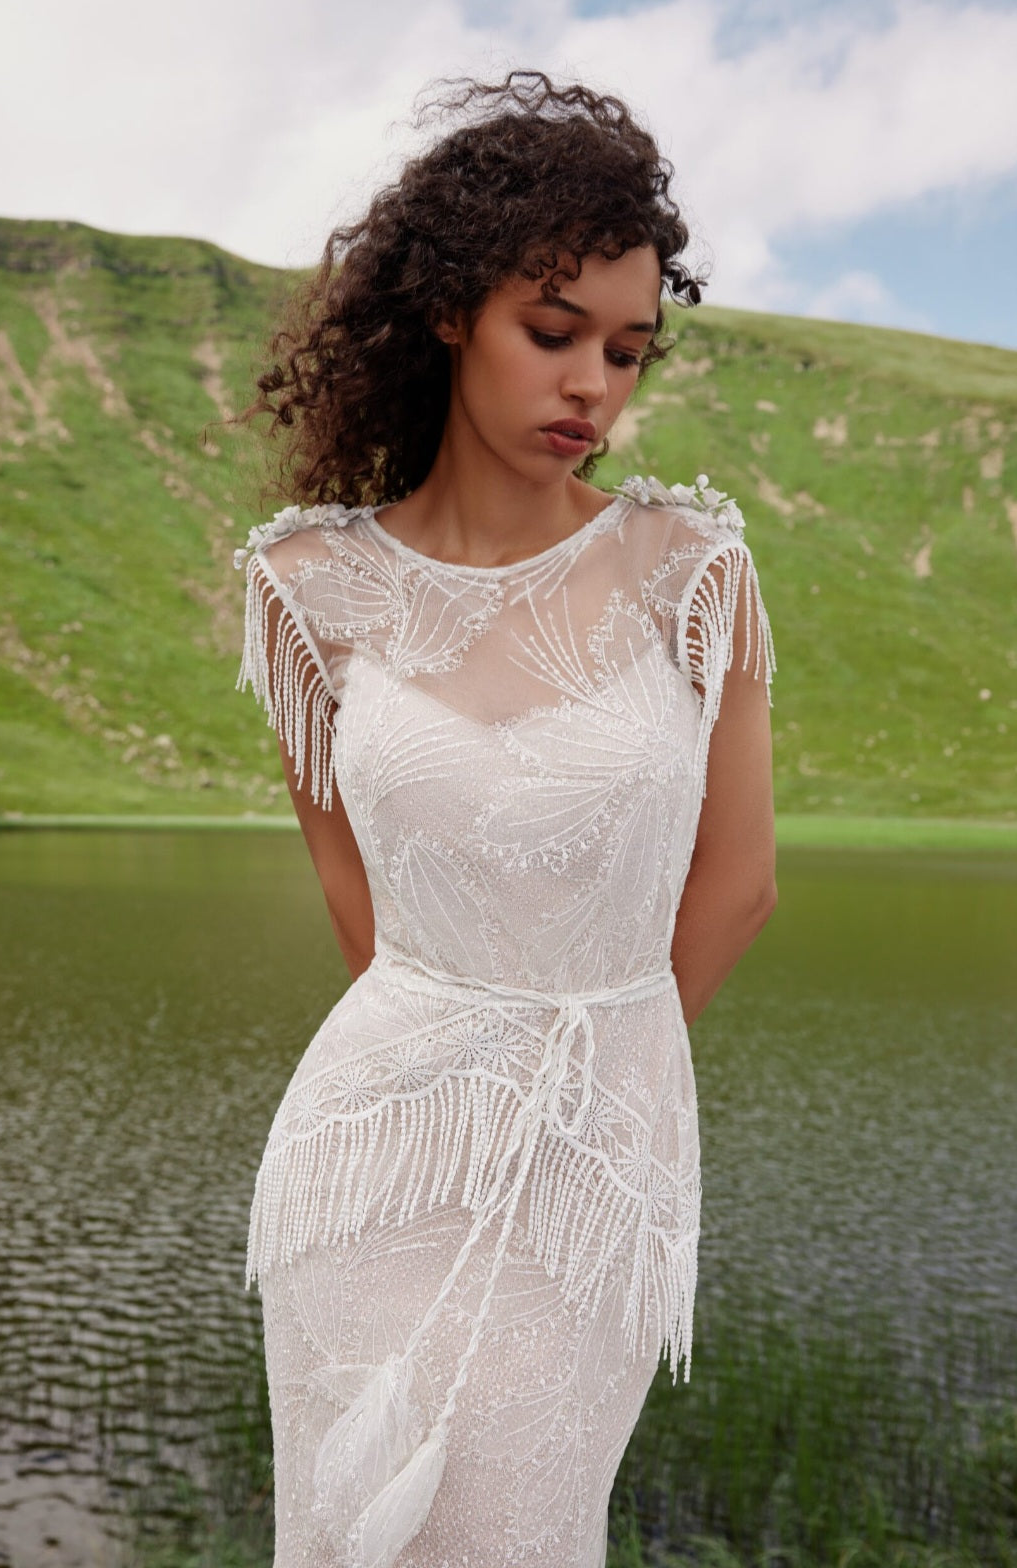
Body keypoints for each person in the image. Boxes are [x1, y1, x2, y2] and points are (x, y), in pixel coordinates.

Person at [231, 69, 777, 1568]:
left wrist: (591, 1096)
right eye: (555, 334)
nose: (594, 383)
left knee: (527, 1529)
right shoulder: (310, 588)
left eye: (627, 349)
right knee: (348, 1534)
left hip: (602, 1159)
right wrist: (464, 1077)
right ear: (450, 311)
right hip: (374, 1153)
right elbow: (360, 907)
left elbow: (738, 888)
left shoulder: (691, 568)